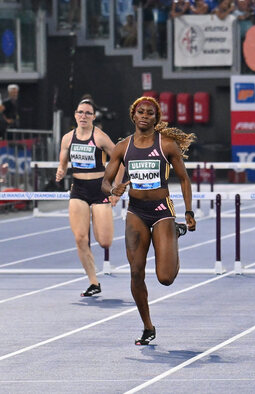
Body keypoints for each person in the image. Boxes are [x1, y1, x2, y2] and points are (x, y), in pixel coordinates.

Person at [101, 96, 196, 345]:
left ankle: (173, 234)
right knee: (135, 272)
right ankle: (147, 326)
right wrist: (112, 190)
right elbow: (106, 181)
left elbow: (184, 179)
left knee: (165, 278)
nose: (144, 115)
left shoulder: (167, 145)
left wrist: (188, 212)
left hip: (162, 209)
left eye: (150, 113)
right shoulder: (123, 147)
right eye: (140, 112)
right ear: (133, 115)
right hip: (136, 211)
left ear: (156, 118)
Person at [55, 99, 122, 297]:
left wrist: (116, 187)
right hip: (78, 190)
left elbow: (119, 160)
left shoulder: (100, 137)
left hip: (99, 189)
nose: (83, 116)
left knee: (104, 241)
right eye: (80, 112)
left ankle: (102, 224)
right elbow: (63, 162)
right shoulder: (68, 138)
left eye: (88, 113)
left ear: (93, 117)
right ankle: (94, 282)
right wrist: (60, 171)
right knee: (80, 238)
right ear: (75, 115)